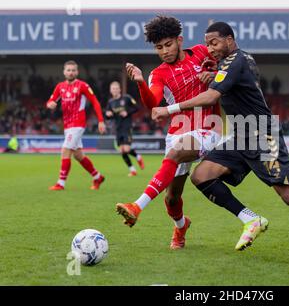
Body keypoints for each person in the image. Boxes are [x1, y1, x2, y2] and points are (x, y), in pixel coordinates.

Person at [152, 21, 289, 260]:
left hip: (261, 132)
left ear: (229, 39)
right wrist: (213, 73)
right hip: (241, 134)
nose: (210, 48)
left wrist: (169, 109)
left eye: (215, 42)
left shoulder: (235, 60)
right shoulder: (233, 61)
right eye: (207, 43)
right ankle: (251, 220)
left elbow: (211, 97)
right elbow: (225, 79)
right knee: (201, 175)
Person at [115, 15, 224, 250]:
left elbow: (227, 68)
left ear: (179, 40)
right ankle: (181, 226)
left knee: (175, 153)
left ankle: (137, 206)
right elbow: (153, 103)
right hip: (178, 131)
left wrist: (215, 72)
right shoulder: (159, 74)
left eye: (168, 44)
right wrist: (141, 83)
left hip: (208, 126)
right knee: (171, 198)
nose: (164, 51)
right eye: (159, 47)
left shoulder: (201, 53)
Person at [46, 60, 106, 190]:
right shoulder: (60, 86)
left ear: (77, 72)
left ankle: (60, 183)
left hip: (78, 124)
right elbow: (51, 100)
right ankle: (97, 177)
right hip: (67, 125)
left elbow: (95, 102)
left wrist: (101, 120)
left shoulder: (82, 85)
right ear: (64, 72)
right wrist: (50, 104)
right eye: (68, 70)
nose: (71, 72)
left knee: (65, 150)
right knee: (78, 155)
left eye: (73, 70)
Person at [105, 81, 145, 177]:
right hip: (118, 128)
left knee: (126, 149)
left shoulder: (126, 98)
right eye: (113, 89)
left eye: (116, 88)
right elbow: (108, 115)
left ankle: (138, 157)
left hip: (127, 126)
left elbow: (137, 107)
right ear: (111, 91)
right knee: (122, 151)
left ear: (119, 89)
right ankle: (132, 170)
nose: (114, 90)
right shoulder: (110, 102)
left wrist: (127, 112)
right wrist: (108, 115)